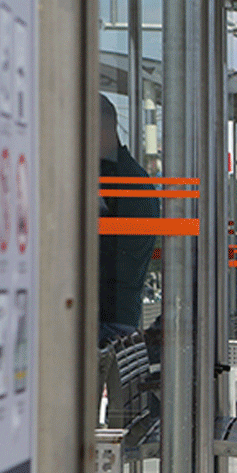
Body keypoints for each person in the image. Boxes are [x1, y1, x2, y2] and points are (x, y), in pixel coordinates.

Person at [98, 94, 160, 347]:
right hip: (119, 318)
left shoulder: (120, 184)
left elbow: (107, 260)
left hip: (108, 323)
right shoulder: (130, 178)